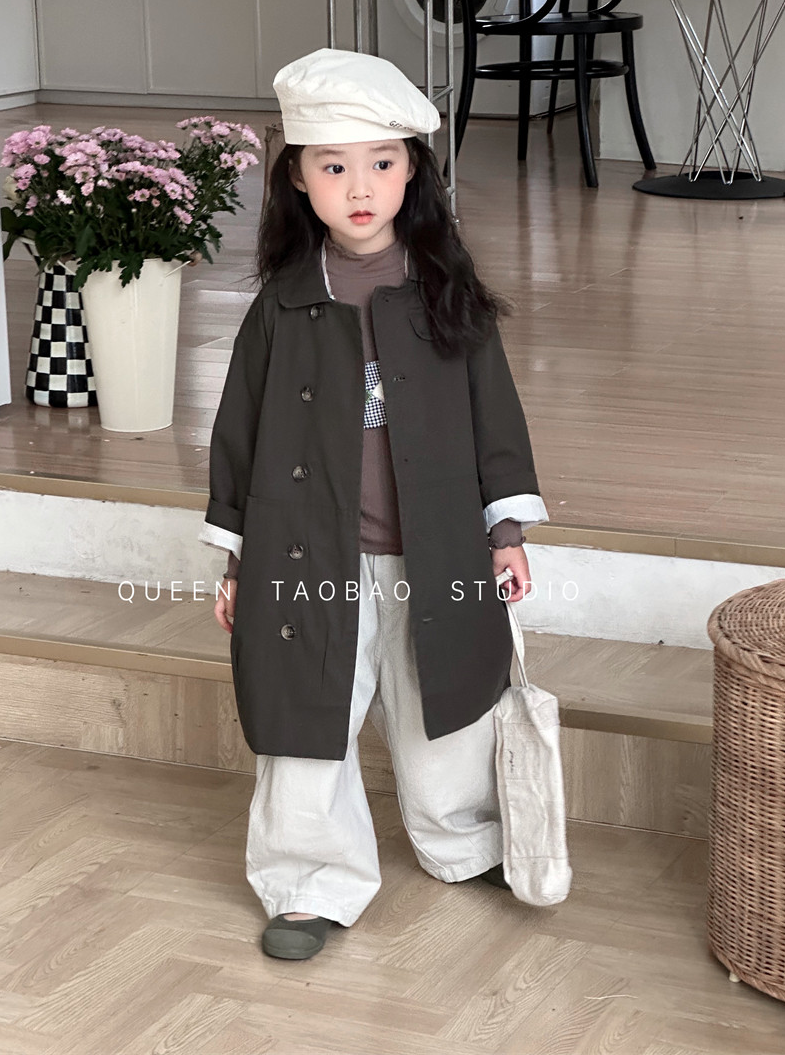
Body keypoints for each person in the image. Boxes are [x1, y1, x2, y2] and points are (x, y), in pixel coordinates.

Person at [200, 47, 549, 961]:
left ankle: (462, 840)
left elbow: (495, 416)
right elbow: (238, 431)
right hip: (307, 554)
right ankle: (309, 882)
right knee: (303, 713)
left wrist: (505, 531)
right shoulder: (282, 305)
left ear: (412, 170)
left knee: (448, 702)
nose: (360, 188)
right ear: (297, 178)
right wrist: (238, 556)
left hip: (435, 551)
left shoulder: (444, 293)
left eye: (382, 163)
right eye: (333, 167)